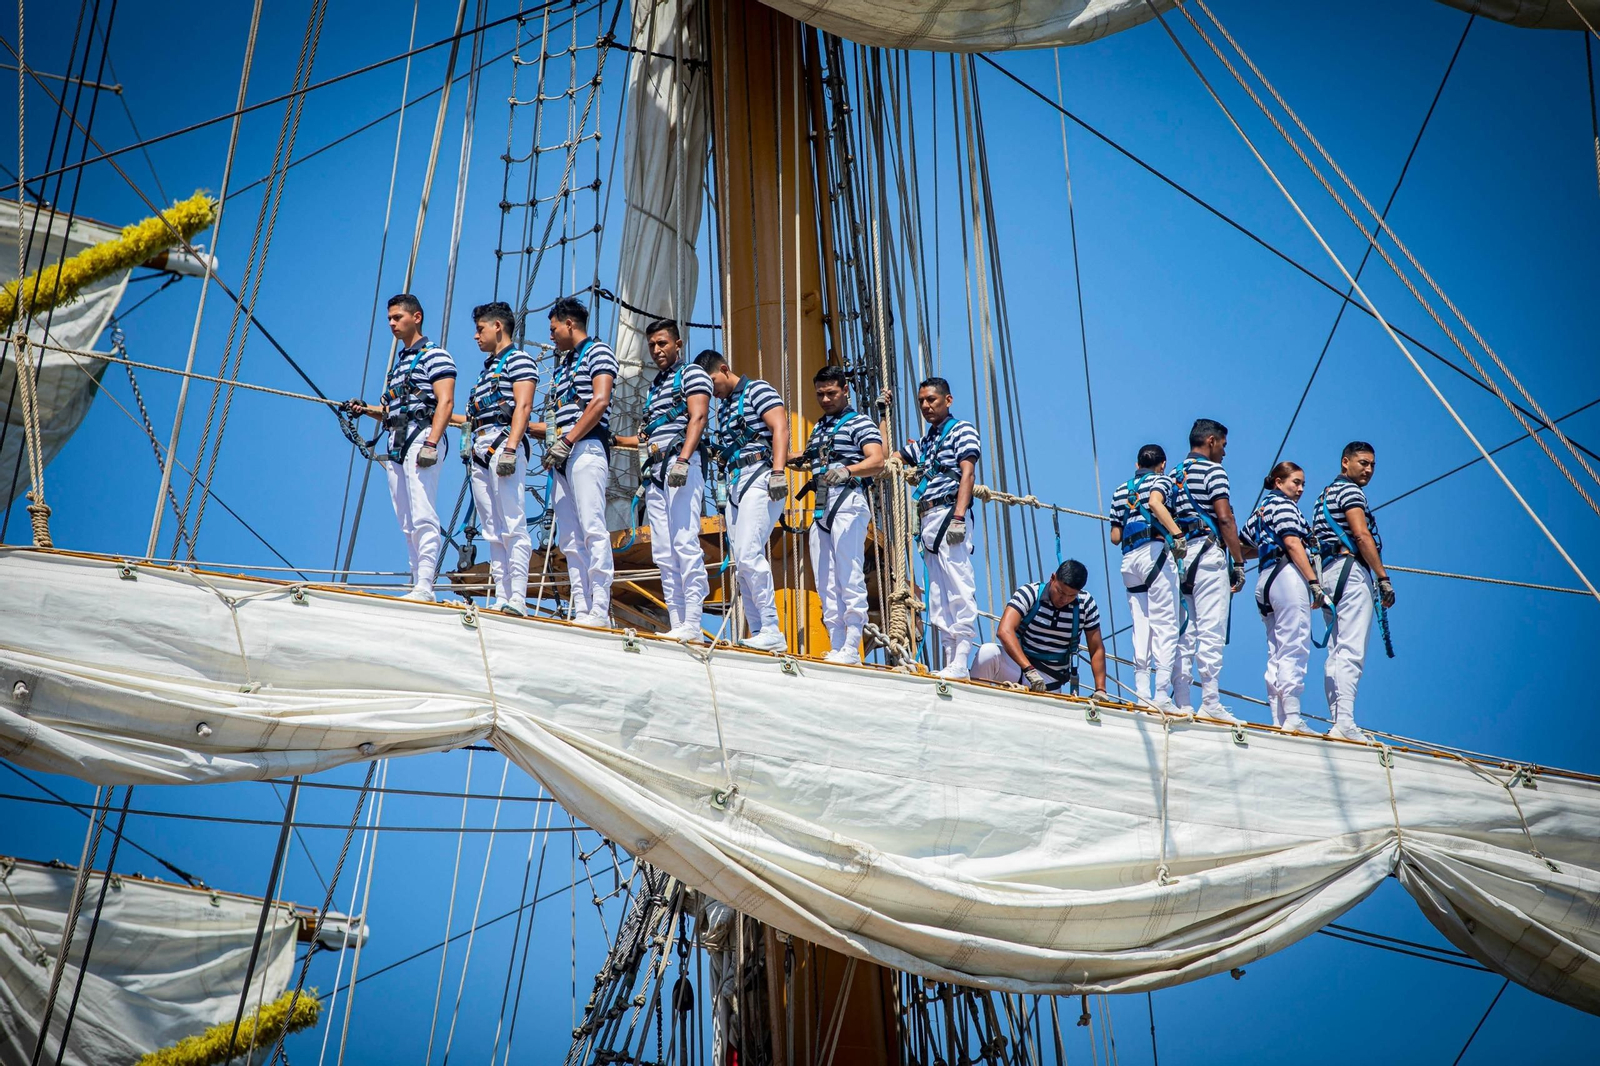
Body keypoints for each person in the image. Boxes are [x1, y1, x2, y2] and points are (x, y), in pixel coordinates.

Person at [341, 296, 456, 602]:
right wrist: (365, 410)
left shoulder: (436, 356)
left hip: (422, 437)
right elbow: (391, 409)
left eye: (397, 317)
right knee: (406, 519)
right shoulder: (400, 364)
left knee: (422, 512)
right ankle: (417, 582)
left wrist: (432, 442)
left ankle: (425, 585)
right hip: (397, 439)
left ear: (416, 317)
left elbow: (445, 401)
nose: (391, 323)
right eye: (389, 318)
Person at [613, 320, 712, 641]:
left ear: (678, 344)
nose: (656, 350)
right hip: (655, 474)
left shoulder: (691, 374)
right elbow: (648, 439)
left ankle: (692, 622)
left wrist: (683, 459)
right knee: (664, 551)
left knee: (685, 542)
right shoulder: (656, 385)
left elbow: (698, 416)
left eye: (662, 344)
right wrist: (612, 439)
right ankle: (678, 619)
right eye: (652, 345)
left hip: (680, 468)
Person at [884, 378, 981, 680]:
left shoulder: (961, 430)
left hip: (948, 512)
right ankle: (951, 659)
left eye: (932, 400)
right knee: (937, 594)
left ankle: (962, 658)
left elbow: (968, 472)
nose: (926, 406)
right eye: (922, 401)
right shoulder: (926, 442)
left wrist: (959, 518)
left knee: (957, 585)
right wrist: (885, 416)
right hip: (927, 518)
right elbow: (890, 459)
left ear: (948, 400)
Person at [696, 348, 790, 652]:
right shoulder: (723, 408)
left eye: (712, 382)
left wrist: (778, 472)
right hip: (736, 483)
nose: (712, 390)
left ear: (724, 369)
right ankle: (760, 629)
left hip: (761, 476)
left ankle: (772, 628)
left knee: (750, 553)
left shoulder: (757, 390)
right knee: (741, 562)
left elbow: (780, 426)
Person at [792, 365, 884, 664]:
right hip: (821, 505)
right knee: (825, 579)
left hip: (847, 501)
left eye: (832, 393)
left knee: (849, 573)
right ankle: (837, 642)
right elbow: (815, 459)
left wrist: (846, 470)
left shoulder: (860, 423)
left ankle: (852, 647)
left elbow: (877, 460)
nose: (826, 399)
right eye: (820, 394)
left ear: (846, 390)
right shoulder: (819, 428)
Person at [540, 296, 618, 627]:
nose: (552, 335)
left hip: (585, 449)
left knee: (592, 527)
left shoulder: (598, 353)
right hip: (563, 457)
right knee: (569, 537)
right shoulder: (563, 364)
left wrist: (567, 440)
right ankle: (582, 606)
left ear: (569, 323)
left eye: (554, 327)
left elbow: (599, 401)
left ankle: (600, 606)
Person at [1310, 441, 1394, 742]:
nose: (1368, 470)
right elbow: (1360, 533)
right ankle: (1345, 721)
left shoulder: (1324, 494)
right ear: (1345, 462)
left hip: (1328, 575)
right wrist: (1382, 577)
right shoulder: (1351, 492)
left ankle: (1338, 719)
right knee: (1351, 651)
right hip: (1350, 571)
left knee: (1335, 652)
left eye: (1372, 465)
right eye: (1363, 463)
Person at [1169, 418, 1248, 723]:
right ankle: (1211, 700)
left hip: (1180, 557)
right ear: (1211, 441)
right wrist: (1238, 563)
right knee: (1211, 629)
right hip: (1208, 555)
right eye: (1224, 446)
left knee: (1184, 633)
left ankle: (1183, 700)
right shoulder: (1215, 471)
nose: (1225, 454)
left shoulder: (1174, 474)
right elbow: (1225, 518)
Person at [460, 301, 536, 614]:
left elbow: (523, 406)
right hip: (479, 449)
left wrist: (511, 448)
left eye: (480, 329)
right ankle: (502, 596)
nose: (476, 336)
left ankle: (517, 596)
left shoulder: (518, 361)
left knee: (512, 522)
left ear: (497, 327)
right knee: (491, 527)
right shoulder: (487, 371)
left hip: (503, 444)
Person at [1241, 461, 1326, 734]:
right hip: (1287, 577)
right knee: (1294, 644)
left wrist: (1267, 547)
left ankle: (1279, 719)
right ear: (1278, 481)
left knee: (1275, 650)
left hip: (1265, 579)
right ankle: (1292, 717)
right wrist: (1313, 582)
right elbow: (1292, 542)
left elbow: (1243, 547)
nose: (1300, 489)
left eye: (1303, 484)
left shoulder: (1262, 509)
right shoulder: (1286, 506)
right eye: (1295, 482)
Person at [1108, 444, 1184, 708]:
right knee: (1166, 626)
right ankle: (1162, 695)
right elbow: (1156, 504)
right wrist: (1177, 534)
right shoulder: (1162, 481)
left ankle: (1141, 694)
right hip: (1154, 556)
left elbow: (1115, 537)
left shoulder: (1120, 490)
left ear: (1136, 464)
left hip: (1129, 563)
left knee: (1141, 628)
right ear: (1162, 464)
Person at [971, 559, 1108, 698]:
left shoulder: (1086, 605)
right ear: (1052, 578)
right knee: (987, 653)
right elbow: (1004, 631)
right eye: (1060, 591)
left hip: (1049, 679)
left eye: (1071, 596)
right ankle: (974, 701)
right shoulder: (1030, 593)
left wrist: (1100, 689)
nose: (1064, 599)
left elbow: (1096, 648)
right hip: (1017, 666)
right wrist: (1029, 670)